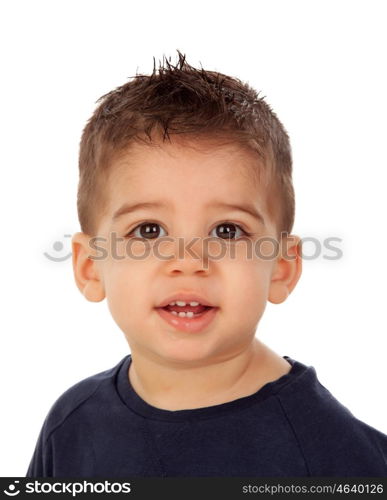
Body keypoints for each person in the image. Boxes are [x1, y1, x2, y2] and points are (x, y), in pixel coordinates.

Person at [27, 51, 387, 477]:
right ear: (90, 266)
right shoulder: (72, 424)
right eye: (148, 230)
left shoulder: (339, 460)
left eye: (227, 231)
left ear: (282, 267)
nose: (188, 261)